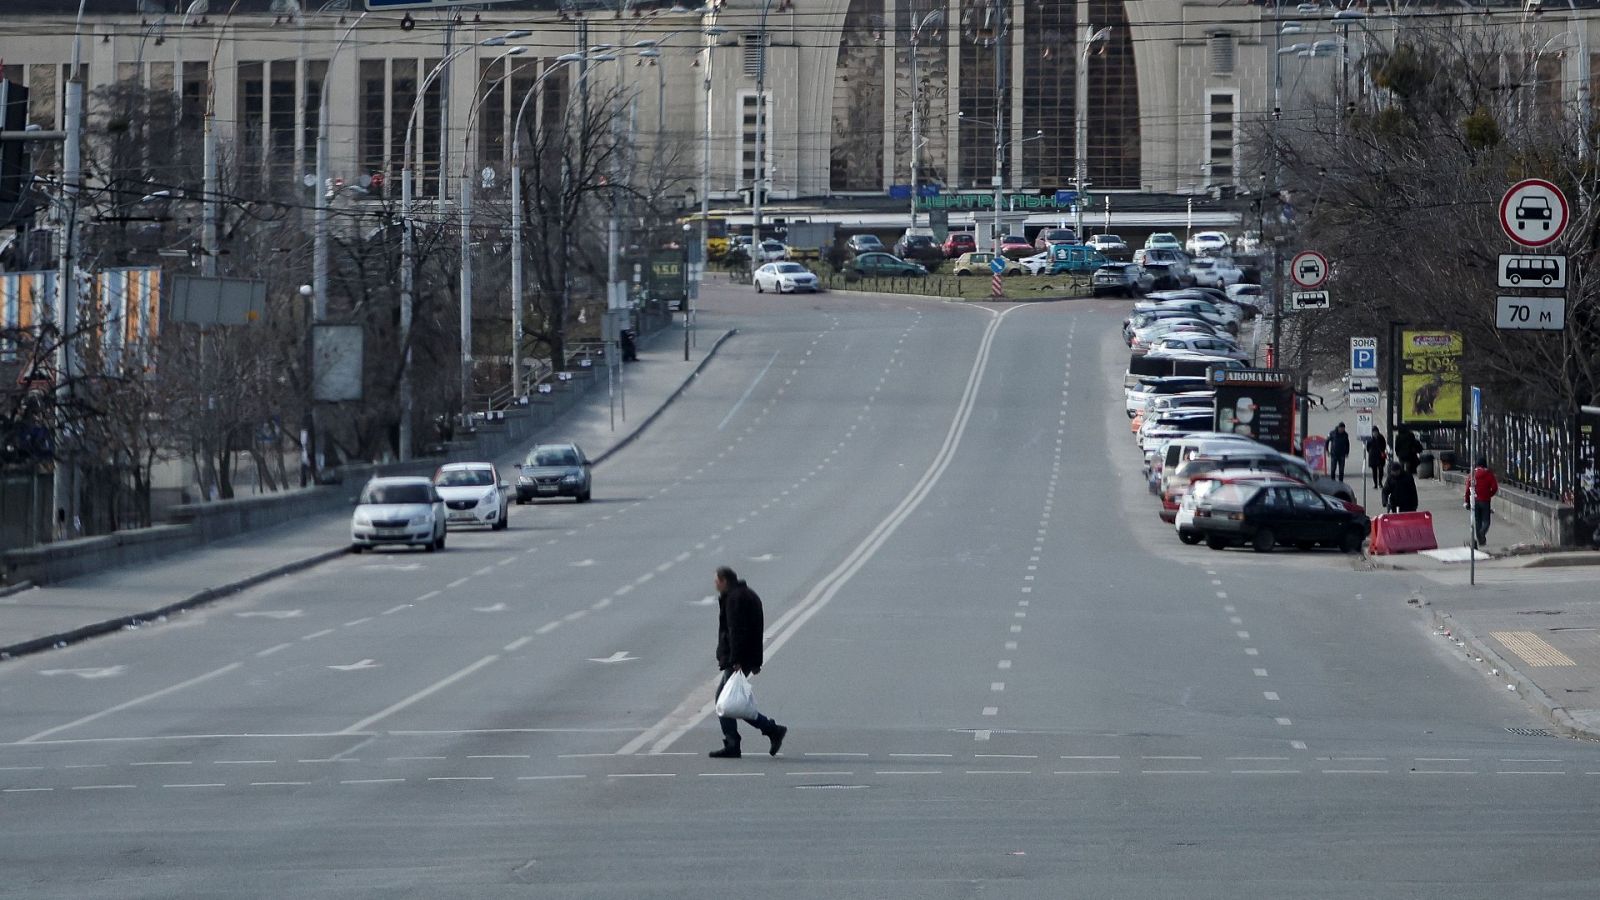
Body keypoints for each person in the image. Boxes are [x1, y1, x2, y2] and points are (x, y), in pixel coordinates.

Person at [709, 566, 787, 759]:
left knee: (726, 702)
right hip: (746, 656)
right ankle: (767, 731)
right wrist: (755, 661)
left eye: (716, 581)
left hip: (738, 658)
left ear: (724, 581)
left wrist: (735, 660)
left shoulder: (735, 599)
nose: (715, 584)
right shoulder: (747, 595)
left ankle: (750, 737)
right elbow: (756, 629)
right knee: (730, 701)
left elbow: (736, 631)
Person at [1465, 456, 1500, 547]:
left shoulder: (1472, 475)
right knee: (1486, 521)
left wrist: (1467, 501)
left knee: (1478, 521)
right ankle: (1482, 533)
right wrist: (1489, 494)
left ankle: (1481, 540)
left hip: (1474, 500)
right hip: (1485, 500)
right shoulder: (1488, 474)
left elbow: (1468, 489)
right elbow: (1494, 487)